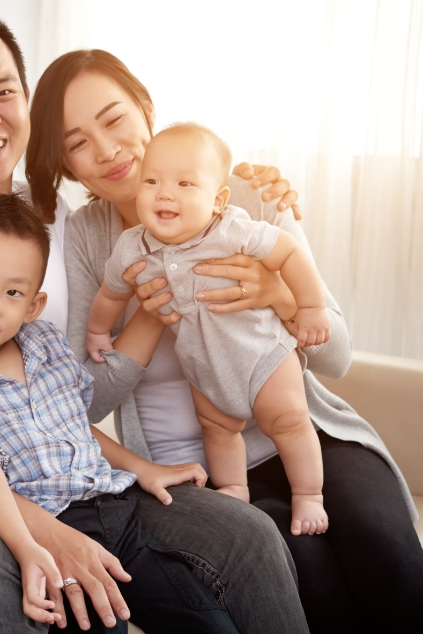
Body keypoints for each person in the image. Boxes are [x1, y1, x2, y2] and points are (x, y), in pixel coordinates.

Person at [0, 5, 306, 632]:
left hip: (68, 477)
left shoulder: (63, 221)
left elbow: (65, 390)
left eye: (4, 92)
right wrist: (43, 531)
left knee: (244, 534)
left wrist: (251, 194)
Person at [25, 47, 423, 632]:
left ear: (147, 111)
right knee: (306, 561)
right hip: (199, 469)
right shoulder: (91, 241)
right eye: (77, 142)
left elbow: (337, 355)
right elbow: (82, 403)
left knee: (380, 543)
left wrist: (279, 294)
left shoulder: (243, 197)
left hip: (303, 434)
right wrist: (145, 319)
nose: (107, 150)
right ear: (65, 163)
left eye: (115, 119)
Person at [0, 193, 235, 633]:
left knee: (209, 622)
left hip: (116, 513)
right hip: (49, 527)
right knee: (104, 624)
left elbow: (76, 428)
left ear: (33, 306)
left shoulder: (45, 345)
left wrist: (144, 468)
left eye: (12, 292)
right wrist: (28, 547)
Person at [85, 124, 330, 536]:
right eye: (152, 181)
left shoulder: (232, 229)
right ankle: (234, 487)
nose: (165, 193)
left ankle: (309, 494)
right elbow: (111, 293)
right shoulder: (133, 246)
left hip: (263, 354)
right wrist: (97, 332)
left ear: (217, 201)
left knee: (289, 420)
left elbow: (289, 252)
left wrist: (309, 306)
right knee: (217, 428)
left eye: (184, 183)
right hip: (204, 365)